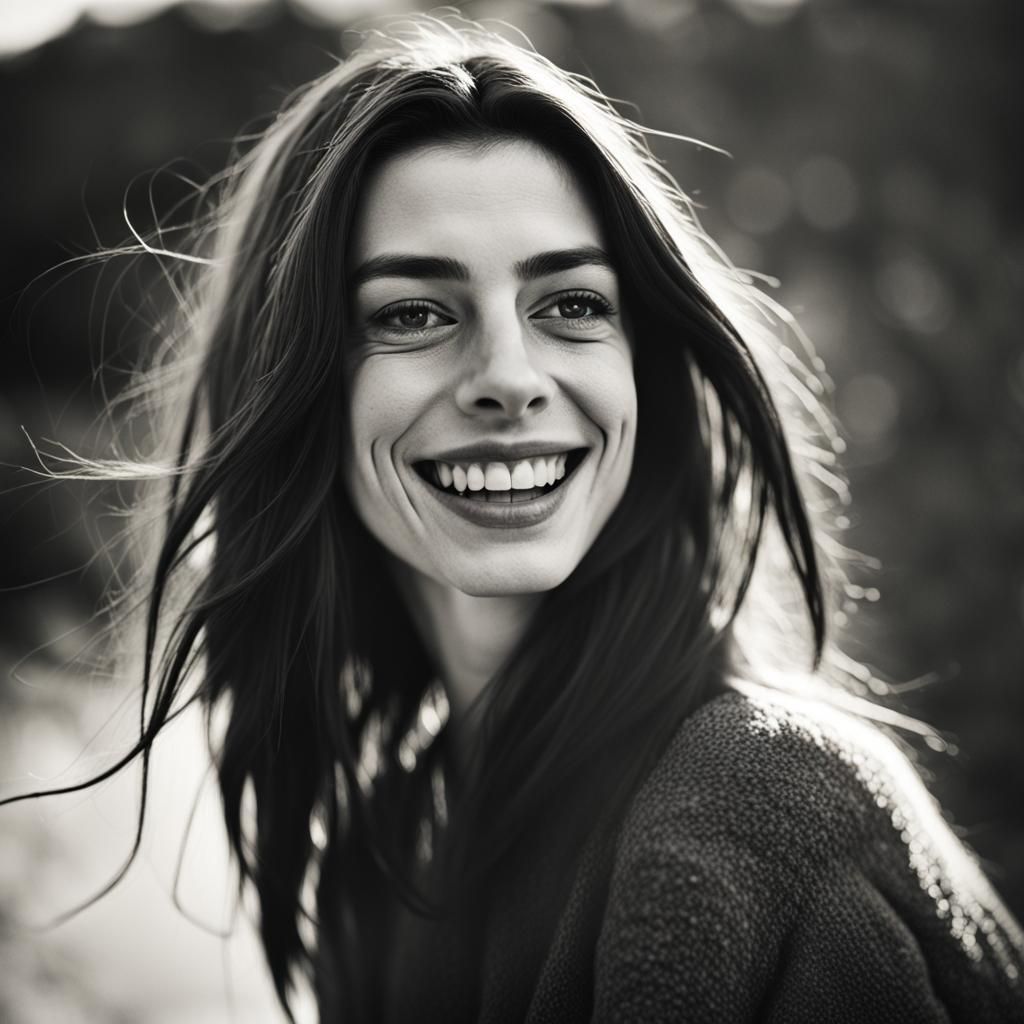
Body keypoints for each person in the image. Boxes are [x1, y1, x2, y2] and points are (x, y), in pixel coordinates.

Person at [7, 14, 1023, 1023]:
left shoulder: (759, 804)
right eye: (411, 312)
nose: (507, 376)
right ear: (303, 393)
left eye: (571, 304)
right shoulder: (387, 859)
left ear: (648, 375)